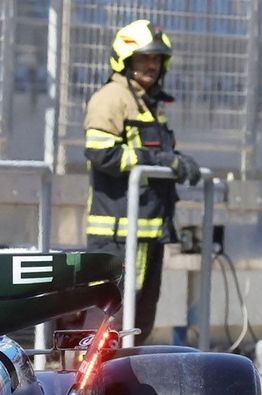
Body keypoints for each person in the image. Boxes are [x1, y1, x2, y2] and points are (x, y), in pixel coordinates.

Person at [83, 19, 201, 344]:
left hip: (148, 235)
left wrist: (175, 163)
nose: (151, 65)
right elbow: (101, 154)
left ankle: (122, 387)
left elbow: (152, 157)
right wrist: (161, 161)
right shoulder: (111, 98)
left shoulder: (150, 106)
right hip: (118, 236)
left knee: (140, 322)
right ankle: (91, 388)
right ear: (125, 60)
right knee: (110, 322)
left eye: (156, 59)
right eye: (143, 58)